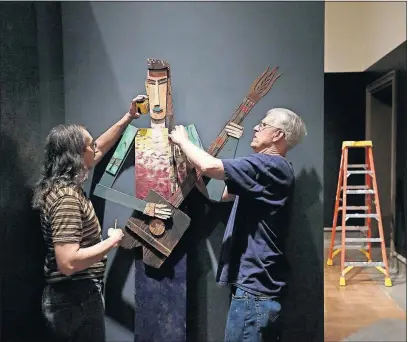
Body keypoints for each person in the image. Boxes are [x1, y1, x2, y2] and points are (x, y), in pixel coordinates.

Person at [169, 108, 307, 342]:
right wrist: (194, 167)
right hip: (257, 288)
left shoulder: (271, 165)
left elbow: (212, 167)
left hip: (256, 290)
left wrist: (183, 141)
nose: (256, 127)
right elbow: (221, 194)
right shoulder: (269, 171)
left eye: (263, 125)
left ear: (277, 135)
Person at [32, 97, 147, 342]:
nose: (95, 148)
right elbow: (68, 263)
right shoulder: (67, 199)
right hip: (75, 300)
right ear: (75, 155)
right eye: (89, 145)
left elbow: (100, 149)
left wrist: (128, 118)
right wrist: (112, 241)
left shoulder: (62, 189)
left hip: (74, 298)